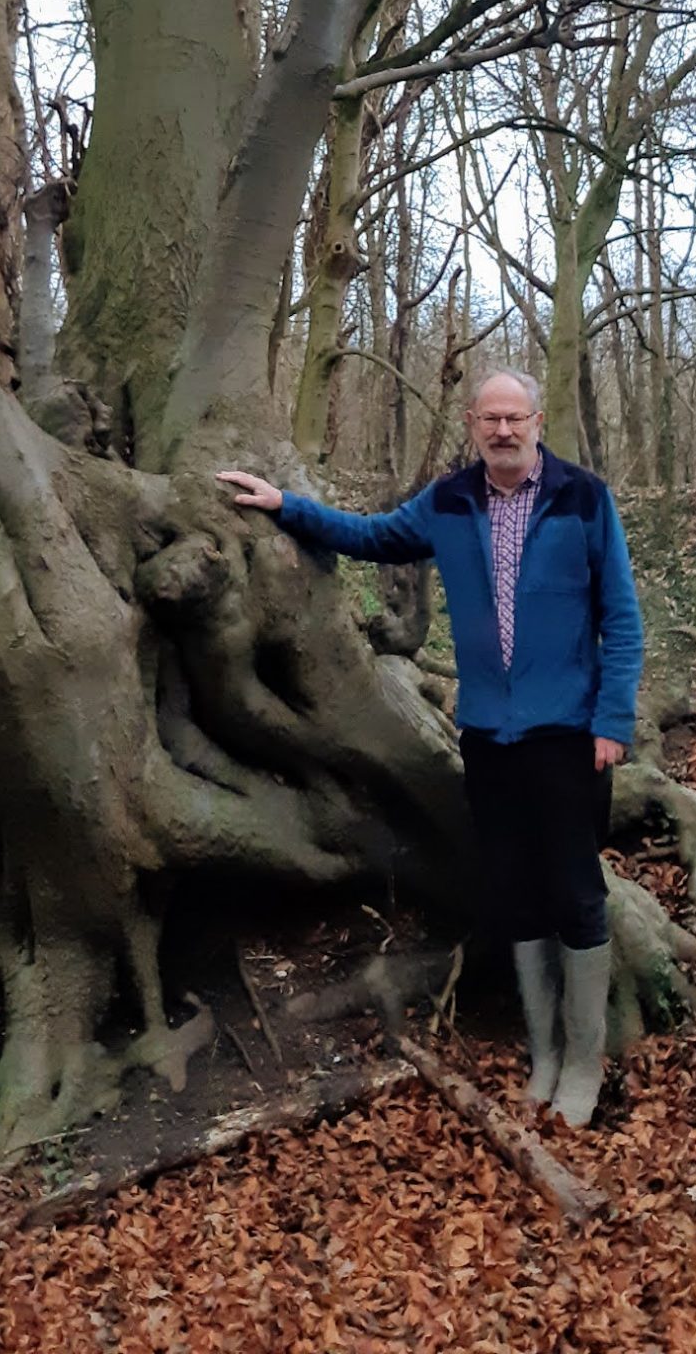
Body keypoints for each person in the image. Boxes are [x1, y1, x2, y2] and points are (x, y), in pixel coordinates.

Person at [217, 370, 643, 1128]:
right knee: (513, 891)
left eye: (516, 418)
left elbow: (623, 618)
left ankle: (585, 1059)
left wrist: (612, 721)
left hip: (570, 736)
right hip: (488, 736)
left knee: (576, 890)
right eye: (490, 419)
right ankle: (544, 1051)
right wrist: (287, 507)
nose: (504, 431)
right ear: (474, 424)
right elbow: (374, 536)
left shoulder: (583, 498)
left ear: (537, 421)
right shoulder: (450, 501)